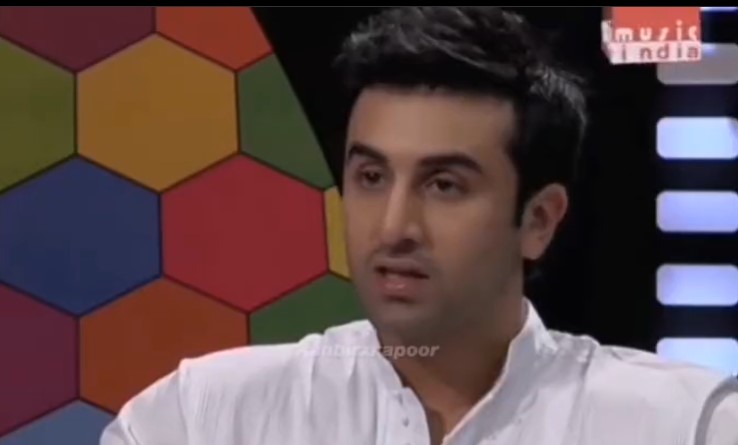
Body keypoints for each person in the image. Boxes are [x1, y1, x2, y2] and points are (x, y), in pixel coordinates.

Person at [101, 7, 738, 445]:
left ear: (539, 220)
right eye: (371, 177)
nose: (394, 227)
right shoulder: (201, 419)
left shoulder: (686, 425)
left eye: (443, 185)